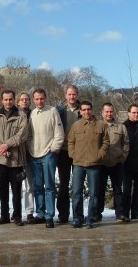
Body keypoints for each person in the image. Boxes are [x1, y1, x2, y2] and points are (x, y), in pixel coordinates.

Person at [0, 90, 28, 226]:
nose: (8, 102)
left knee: (17, 189)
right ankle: (4, 215)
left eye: (10, 99)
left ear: (14, 99)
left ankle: (17, 216)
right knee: (2, 189)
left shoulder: (21, 115)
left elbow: (22, 135)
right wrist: (0, 147)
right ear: (2, 100)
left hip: (16, 159)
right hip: (1, 159)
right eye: (5, 99)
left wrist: (7, 145)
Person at [27, 88, 64, 228]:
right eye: (36, 99)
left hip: (48, 154)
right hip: (34, 155)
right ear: (33, 99)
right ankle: (40, 214)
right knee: (37, 186)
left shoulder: (52, 111)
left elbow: (59, 133)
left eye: (41, 98)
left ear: (45, 98)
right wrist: (30, 148)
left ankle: (49, 215)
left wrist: (53, 149)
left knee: (49, 186)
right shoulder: (32, 113)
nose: (39, 101)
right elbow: (29, 134)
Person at [68, 101, 109, 229]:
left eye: (89, 109)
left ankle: (91, 218)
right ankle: (77, 218)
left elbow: (106, 142)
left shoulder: (101, 125)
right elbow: (70, 141)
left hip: (94, 164)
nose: (87, 112)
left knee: (94, 193)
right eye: (84, 109)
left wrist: (99, 155)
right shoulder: (76, 126)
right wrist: (73, 154)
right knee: (76, 192)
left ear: (92, 110)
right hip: (78, 164)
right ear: (80, 111)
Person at [97, 103, 129, 222]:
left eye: (111, 111)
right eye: (106, 112)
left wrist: (123, 157)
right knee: (100, 189)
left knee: (118, 189)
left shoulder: (121, 127)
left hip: (117, 162)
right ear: (102, 113)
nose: (109, 114)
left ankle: (120, 214)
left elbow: (126, 143)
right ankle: (97, 213)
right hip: (101, 163)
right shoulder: (98, 126)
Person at [55, 85, 81, 224]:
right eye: (69, 94)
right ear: (65, 95)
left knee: (77, 186)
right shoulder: (59, 110)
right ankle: (63, 214)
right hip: (64, 151)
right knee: (64, 184)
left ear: (77, 95)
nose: (72, 97)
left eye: (74, 94)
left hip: (79, 152)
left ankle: (78, 215)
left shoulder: (83, 110)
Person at [17, 92, 34, 223]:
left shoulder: (34, 114)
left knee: (30, 185)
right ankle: (15, 212)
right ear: (18, 102)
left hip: (31, 153)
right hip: (16, 153)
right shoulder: (14, 114)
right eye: (22, 99)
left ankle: (29, 211)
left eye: (26, 99)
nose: (24, 101)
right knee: (15, 186)